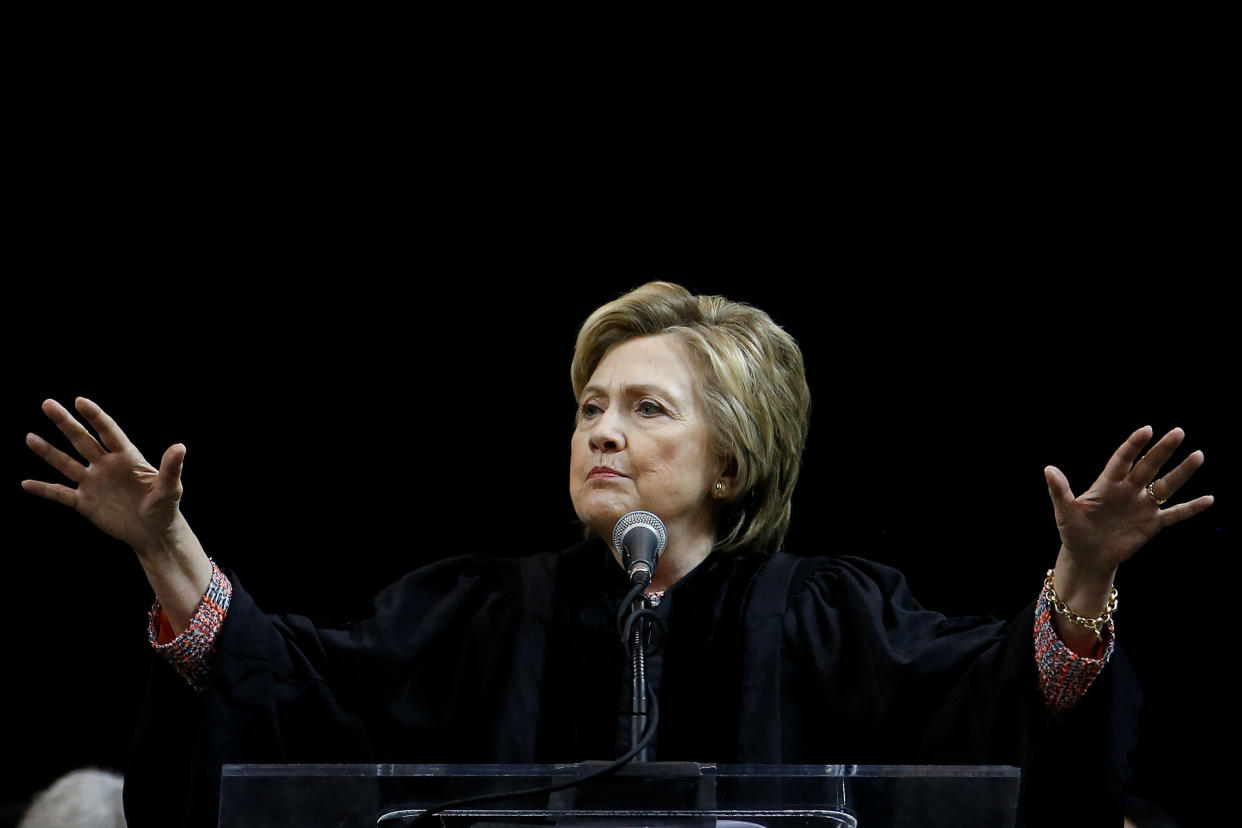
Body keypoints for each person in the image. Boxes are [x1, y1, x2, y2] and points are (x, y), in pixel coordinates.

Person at [22, 282, 1212, 828]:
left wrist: (1086, 580)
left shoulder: (830, 617)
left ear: (733, 461)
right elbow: (289, 693)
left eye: (648, 409)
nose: (602, 430)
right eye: (592, 406)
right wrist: (169, 548)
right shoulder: (481, 613)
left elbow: (997, 703)